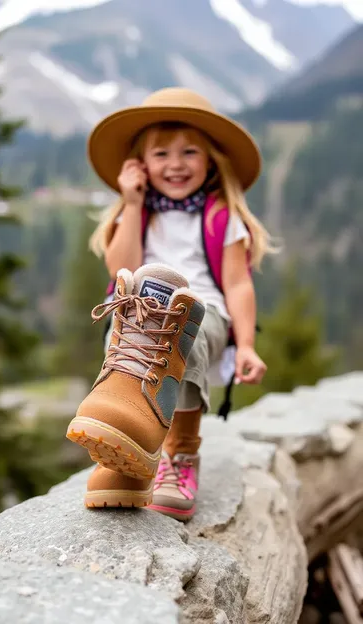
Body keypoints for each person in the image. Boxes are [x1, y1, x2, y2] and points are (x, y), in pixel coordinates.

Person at [67, 87, 275, 521]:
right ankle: (127, 452)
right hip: (141, 319)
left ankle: (180, 456)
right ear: (139, 164)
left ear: (211, 160)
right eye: (161, 154)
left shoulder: (221, 216)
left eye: (189, 152)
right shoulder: (137, 212)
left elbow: (237, 284)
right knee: (126, 335)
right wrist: (131, 201)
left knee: (184, 341)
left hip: (205, 315)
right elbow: (119, 269)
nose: (176, 164)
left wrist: (248, 344)